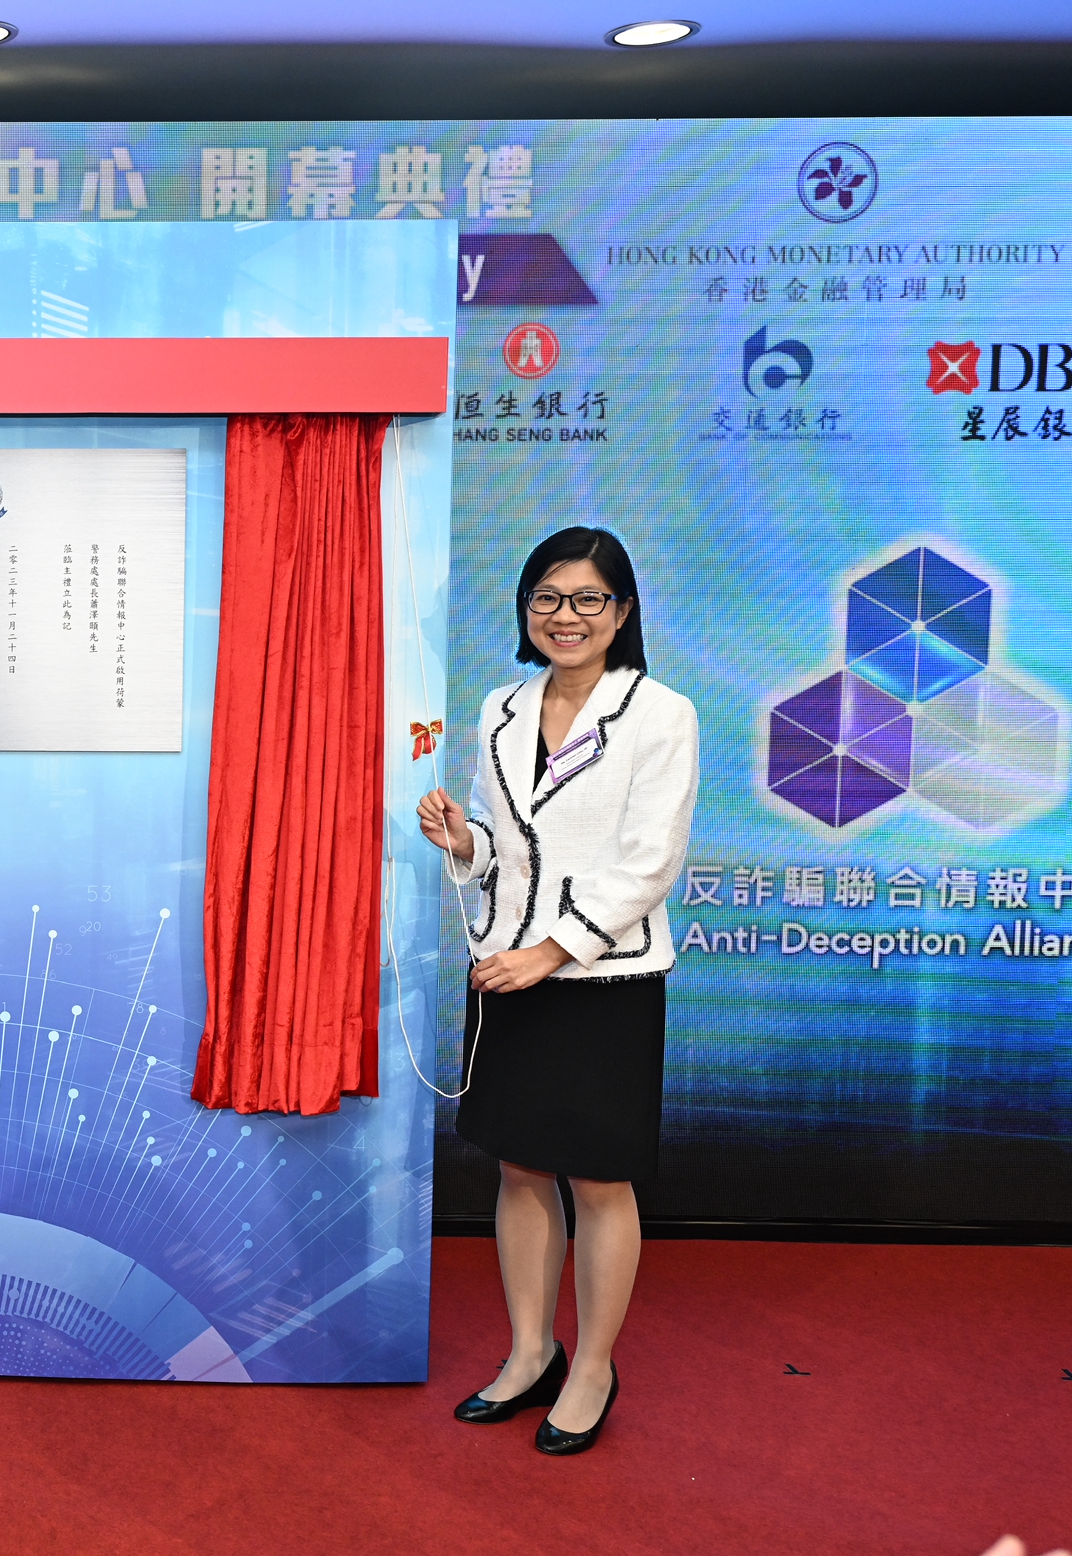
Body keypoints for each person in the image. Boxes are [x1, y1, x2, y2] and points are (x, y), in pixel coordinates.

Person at [414, 526, 697, 1456]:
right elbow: (512, 847)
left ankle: (593, 1369)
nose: (564, 616)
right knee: (519, 1165)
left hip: (601, 975)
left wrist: (555, 951)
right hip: (507, 965)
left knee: (599, 1178)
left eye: (587, 600)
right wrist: (466, 842)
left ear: (621, 612)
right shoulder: (501, 706)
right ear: (525, 609)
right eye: (547, 598)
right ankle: (531, 1351)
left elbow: (648, 863)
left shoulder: (660, 713)